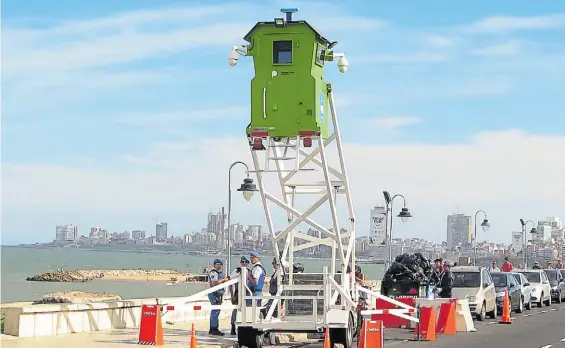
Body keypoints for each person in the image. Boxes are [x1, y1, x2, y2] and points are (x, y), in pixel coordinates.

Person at [228, 256, 250, 335]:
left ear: (248, 263)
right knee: (235, 310)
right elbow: (230, 281)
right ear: (240, 263)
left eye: (245, 262)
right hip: (237, 294)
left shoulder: (249, 271)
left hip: (246, 294)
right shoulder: (237, 270)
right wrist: (232, 294)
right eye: (242, 262)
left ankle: (244, 328)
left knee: (246, 311)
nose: (244, 263)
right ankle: (233, 327)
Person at [208, 259, 229, 336]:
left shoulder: (217, 272)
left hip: (217, 294)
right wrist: (224, 280)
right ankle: (214, 329)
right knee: (215, 311)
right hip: (214, 294)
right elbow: (215, 283)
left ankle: (212, 328)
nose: (219, 265)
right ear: (214, 265)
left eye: (220, 264)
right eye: (217, 264)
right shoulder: (213, 272)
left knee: (216, 311)